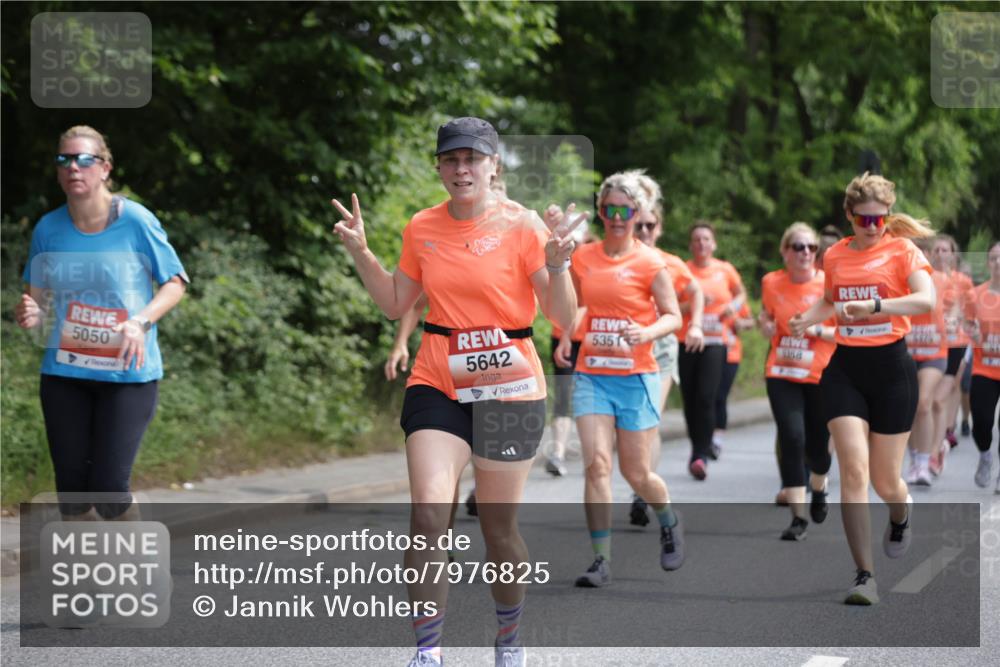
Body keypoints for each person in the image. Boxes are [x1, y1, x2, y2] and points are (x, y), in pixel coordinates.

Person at [331, 117, 580, 667]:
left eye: (473, 158)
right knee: (426, 518)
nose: (461, 168)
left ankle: (509, 638)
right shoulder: (422, 226)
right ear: (441, 168)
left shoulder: (524, 226)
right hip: (437, 378)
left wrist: (559, 266)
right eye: (451, 159)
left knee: (499, 534)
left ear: (494, 166)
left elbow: (564, 315)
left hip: (509, 387)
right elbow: (398, 302)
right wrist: (360, 252)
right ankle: (428, 652)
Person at [15, 125, 188, 521]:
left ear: (105, 168)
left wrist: (139, 322)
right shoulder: (48, 228)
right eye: (65, 159)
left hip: (127, 374)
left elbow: (175, 284)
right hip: (65, 373)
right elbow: (35, 302)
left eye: (84, 159)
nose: (74, 167)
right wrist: (31, 313)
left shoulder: (136, 222)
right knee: (73, 495)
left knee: (110, 492)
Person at [790, 172, 935, 605]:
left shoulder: (902, 249)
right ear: (849, 215)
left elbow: (925, 301)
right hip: (846, 369)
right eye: (864, 220)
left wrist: (874, 305)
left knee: (886, 480)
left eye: (880, 220)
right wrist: (810, 317)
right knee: (853, 471)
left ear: (888, 216)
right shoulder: (834, 255)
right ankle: (864, 576)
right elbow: (832, 299)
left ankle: (900, 509)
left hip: (892, 370)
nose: (873, 228)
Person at [554, 169, 684, 587]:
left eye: (624, 210)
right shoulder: (586, 256)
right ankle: (601, 559)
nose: (616, 216)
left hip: (636, 375)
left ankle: (668, 519)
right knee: (595, 464)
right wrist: (566, 335)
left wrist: (646, 332)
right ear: (600, 211)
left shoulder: (651, 262)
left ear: (636, 213)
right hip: (593, 373)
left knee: (637, 474)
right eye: (608, 209)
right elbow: (572, 304)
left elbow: (673, 316)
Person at [629, 173, 705, 526]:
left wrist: (697, 324)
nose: (643, 231)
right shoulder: (618, 258)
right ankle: (642, 480)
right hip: (622, 351)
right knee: (632, 425)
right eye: (638, 224)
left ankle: (641, 491)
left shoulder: (670, 262)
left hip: (659, 350)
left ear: (658, 228)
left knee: (650, 421)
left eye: (650, 226)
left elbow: (696, 292)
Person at [759, 223, 835, 540]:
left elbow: (843, 332)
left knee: (818, 447)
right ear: (785, 251)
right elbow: (767, 314)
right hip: (782, 372)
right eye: (798, 247)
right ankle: (798, 517)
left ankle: (819, 487)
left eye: (811, 248)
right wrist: (764, 323)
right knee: (791, 437)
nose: (805, 253)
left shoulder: (828, 285)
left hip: (820, 374)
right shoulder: (771, 282)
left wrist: (814, 329)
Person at [679, 223, 747, 479]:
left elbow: (740, 293)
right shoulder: (683, 270)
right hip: (687, 340)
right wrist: (692, 305)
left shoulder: (724, 270)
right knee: (690, 398)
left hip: (716, 342)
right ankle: (696, 446)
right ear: (691, 245)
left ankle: (700, 454)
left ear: (714, 244)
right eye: (696, 240)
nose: (701, 244)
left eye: (706, 239)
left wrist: (734, 306)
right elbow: (671, 305)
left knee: (707, 396)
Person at [903, 239, 951, 486]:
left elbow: (957, 311)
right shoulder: (901, 280)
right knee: (910, 406)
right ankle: (915, 459)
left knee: (923, 403)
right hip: (907, 352)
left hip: (935, 353)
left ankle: (924, 463)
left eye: (924, 252)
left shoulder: (943, 280)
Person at [932, 234, 975, 456]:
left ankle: (948, 428)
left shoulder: (962, 281)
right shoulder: (925, 279)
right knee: (932, 394)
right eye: (936, 250)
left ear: (953, 254)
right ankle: (937, 431)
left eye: (944, 250)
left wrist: (958, 319)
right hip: (930, 341)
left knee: (951, 387)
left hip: (956, 342)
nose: (940, 254)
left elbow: (970, 314)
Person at [964, 242, 1000, 493]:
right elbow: (968, 328)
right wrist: (974, 333)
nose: (999, 263)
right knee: (982, 423)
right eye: (994, 258)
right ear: (988, 263)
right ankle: (985, 455)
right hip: (984, 368)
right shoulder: (975, 295)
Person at [713, 301, 753, 460]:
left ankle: (717, 440)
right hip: (710, 352)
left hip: (731, 355)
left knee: (721, 396)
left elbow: (750, 322)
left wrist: (740, 323)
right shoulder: (709, 291)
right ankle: (704, 437)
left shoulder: (737, 300)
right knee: (707, 396)